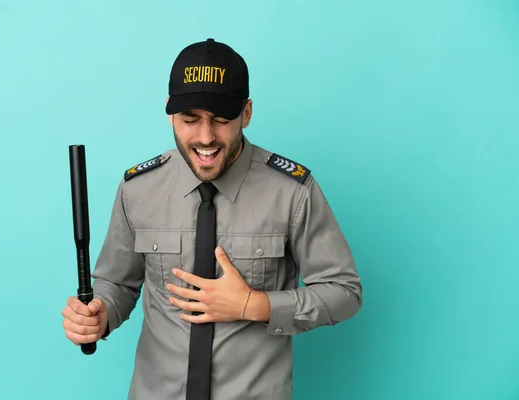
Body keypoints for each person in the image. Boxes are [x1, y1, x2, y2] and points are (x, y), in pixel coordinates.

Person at [61, 38, 362, 400]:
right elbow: (117, 284)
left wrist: (254, 305)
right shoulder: (137, 190)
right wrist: (99, 314)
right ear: (170, 114)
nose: (206, 138)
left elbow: (344, 291)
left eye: (221, 120)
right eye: (190, 120)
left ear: (246, 114)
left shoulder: (293, 191)